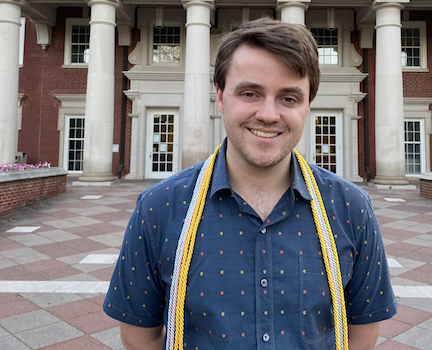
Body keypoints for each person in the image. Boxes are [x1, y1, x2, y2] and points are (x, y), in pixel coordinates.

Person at [103, 17, 397, 350]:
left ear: (308, 106)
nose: (269, 114)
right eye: (250, 93)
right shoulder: (159, 207)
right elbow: (140, 336)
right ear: (220, 96)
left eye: (288, 98)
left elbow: (363, 329)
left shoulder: (351, 207)